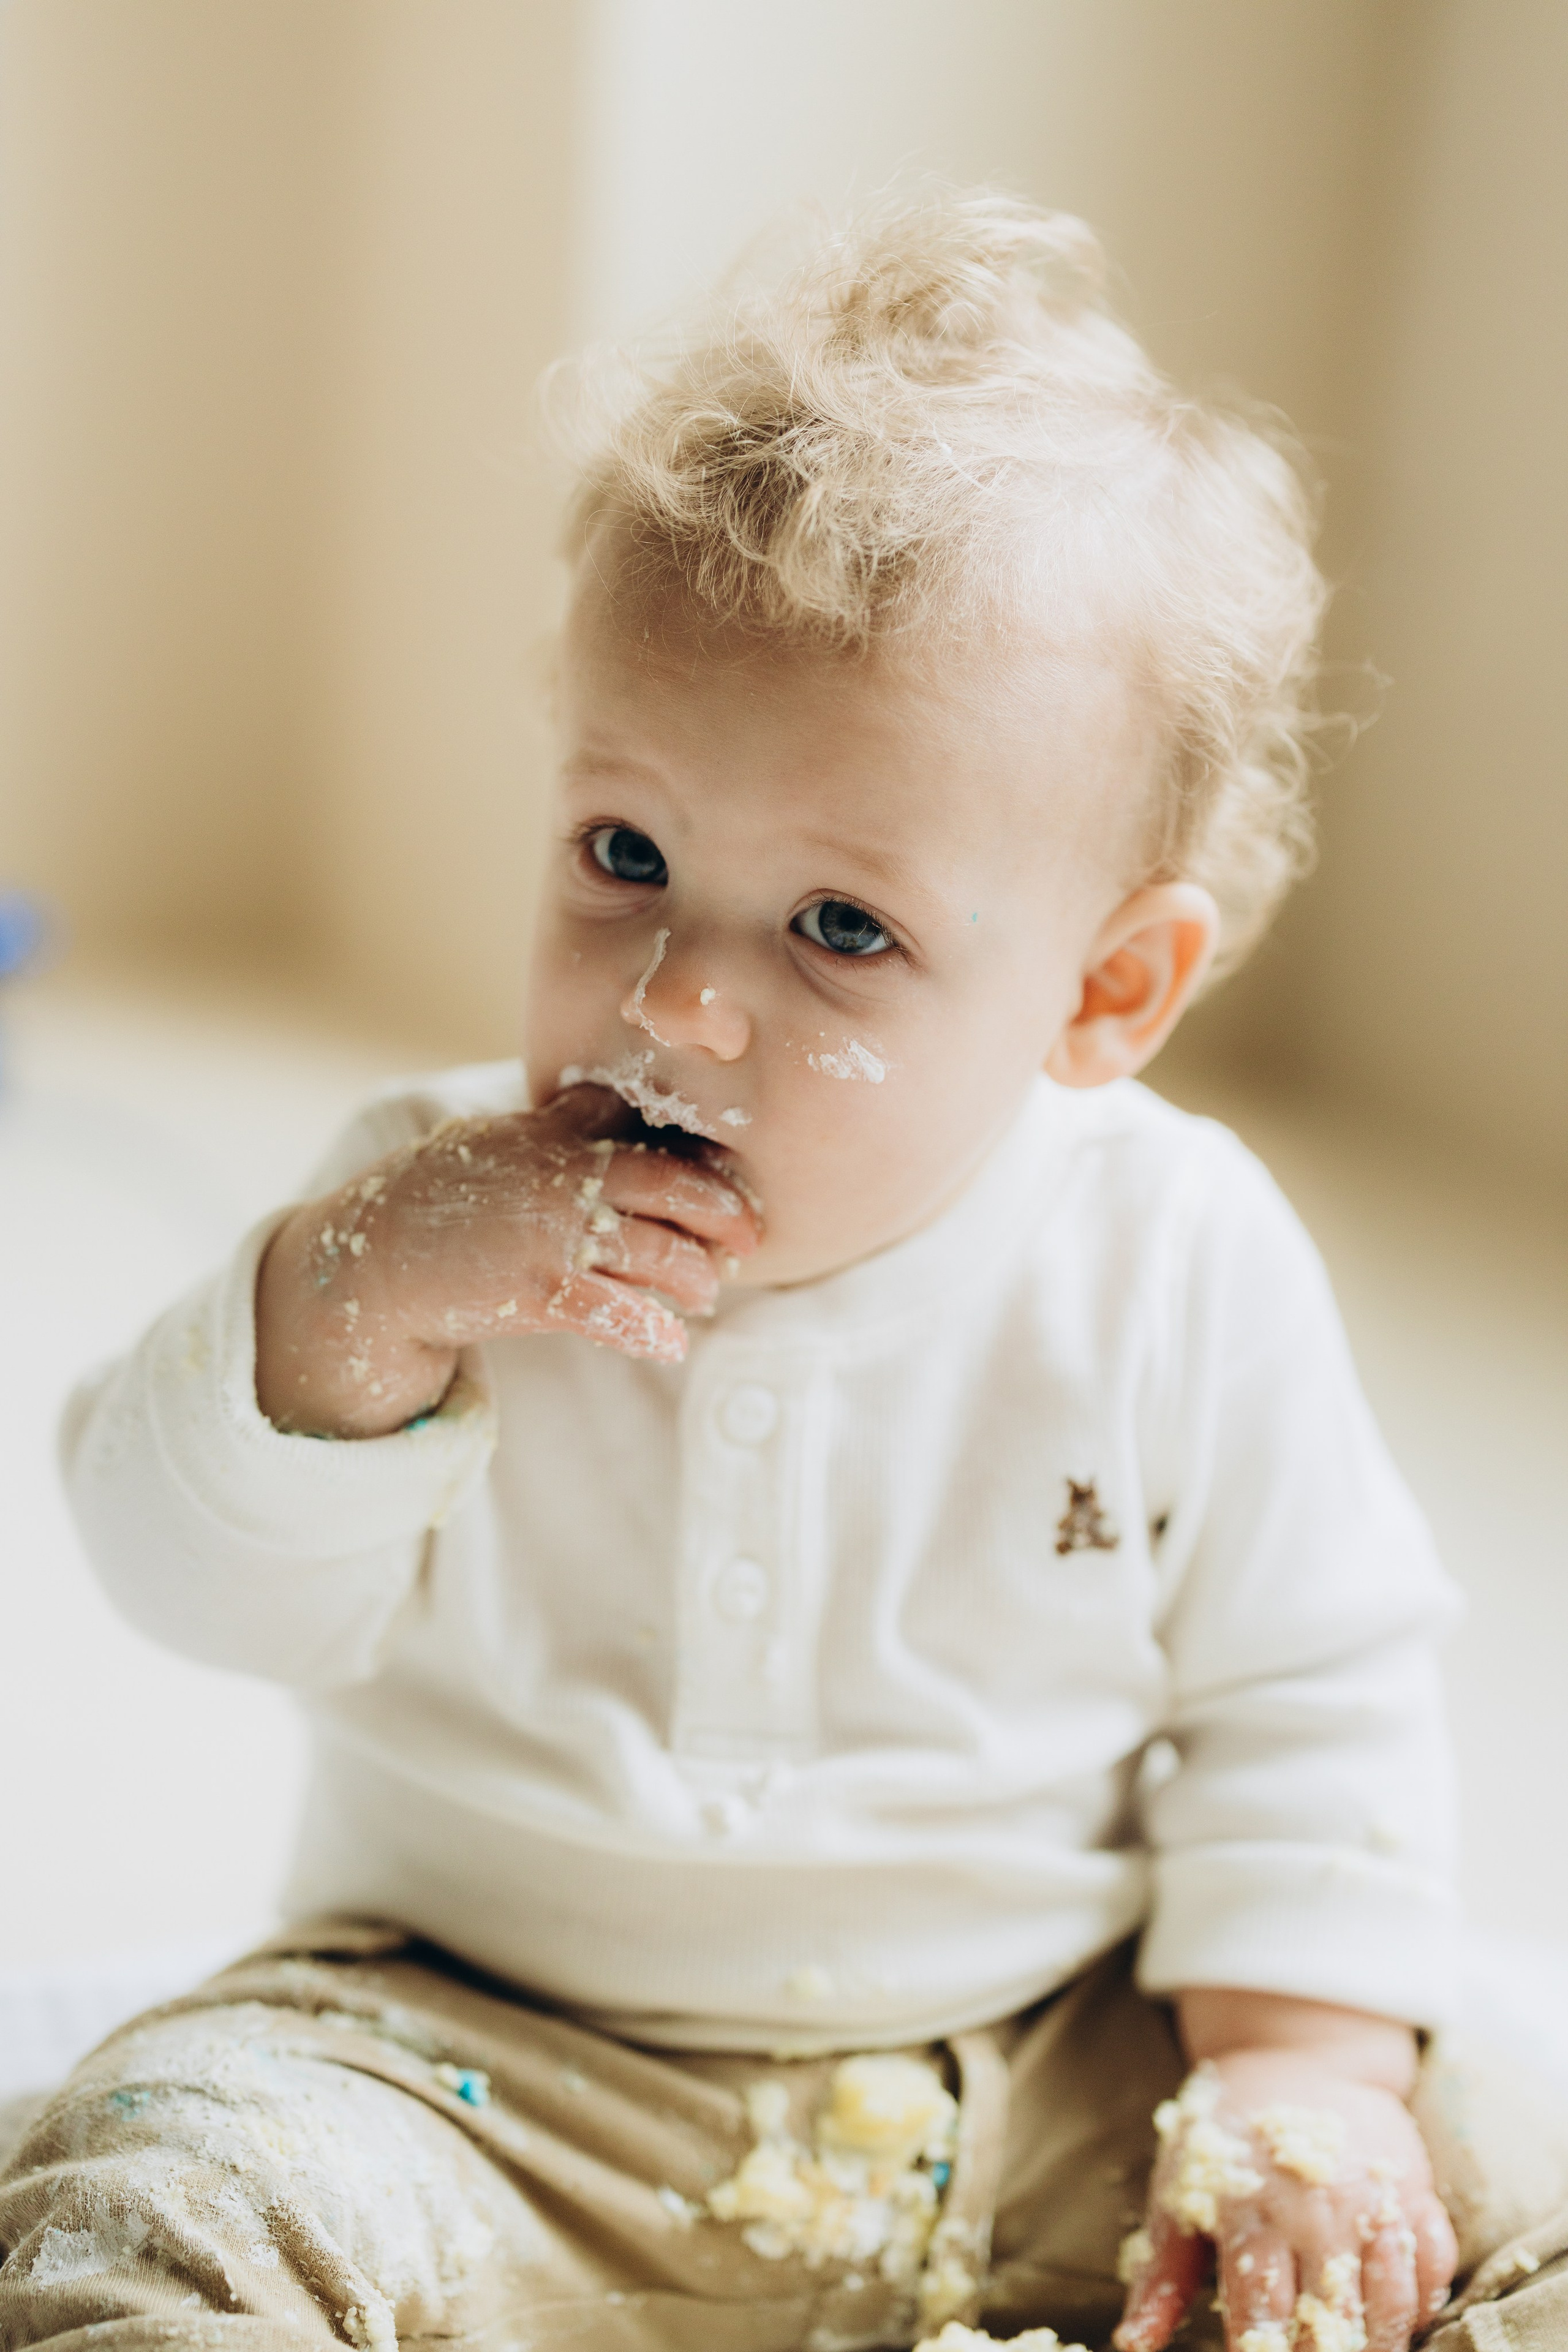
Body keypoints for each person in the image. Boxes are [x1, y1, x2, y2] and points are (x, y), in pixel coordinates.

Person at [4, 191, 1564, 2352]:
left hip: (1040, 2078)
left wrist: (1301, 2064)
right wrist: (352, 1310)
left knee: (1490, 2178)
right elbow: (177, 1572)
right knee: (145, 2190)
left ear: (1105, 992)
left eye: (842, 929)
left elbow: (1310, 1693)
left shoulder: (1170, 1259)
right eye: (624, 856)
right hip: (477, 2073)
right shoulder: (423, 1212)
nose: (680, 1003)